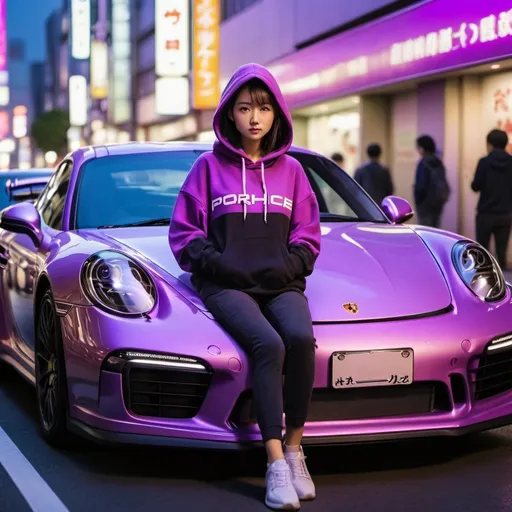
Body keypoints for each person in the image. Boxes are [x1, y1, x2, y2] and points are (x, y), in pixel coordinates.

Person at [168, 63, 321, 510]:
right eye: (244, 108)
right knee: (268, 345)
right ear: (229, 115)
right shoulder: (207, 168)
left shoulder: (292, 170)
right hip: (226, 286)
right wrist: (222, 265)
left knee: (300, 339)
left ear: (277, 115)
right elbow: (184, 234)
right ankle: (274, 463)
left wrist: (288, 266)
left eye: (264, 108)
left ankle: (295, 450)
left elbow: (308, 234)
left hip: (279, 285)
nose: (255, 117)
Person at [471, 129, 512, 270]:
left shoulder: (484, 162)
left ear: (489, 144)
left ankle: (483, 285)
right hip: (505, 213)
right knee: (502, 252)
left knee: (482, 252)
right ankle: (505, 287)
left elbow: (476, 186)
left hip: (485, 213)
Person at [413, 135, 450, 227]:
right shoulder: (438, 162)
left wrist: (418, 200)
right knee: (435, 228)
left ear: (422, 148)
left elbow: (420, 186)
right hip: (438, 202)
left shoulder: (423, 163)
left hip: (425, 204)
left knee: (425, 229)